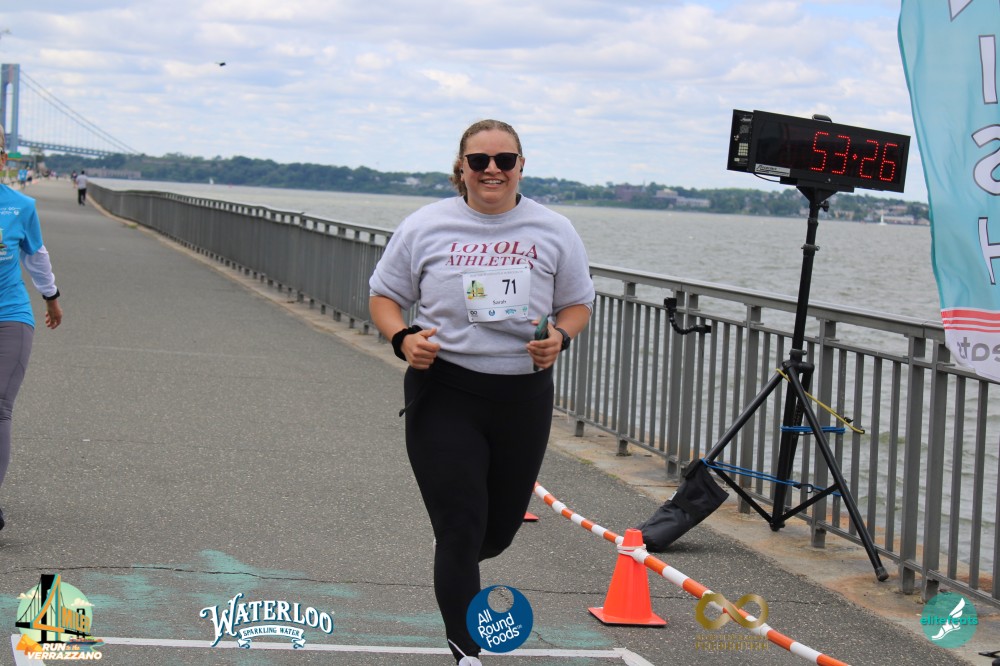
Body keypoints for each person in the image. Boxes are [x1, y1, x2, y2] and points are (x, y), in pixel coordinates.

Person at [368, 119, 595, 665]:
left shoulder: (554, 229)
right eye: (479, 161)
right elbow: (383, 296)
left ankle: (461, 549)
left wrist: (561, 337)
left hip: (523, 398)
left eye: (504, 160)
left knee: (496, 534)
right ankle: (466, 652)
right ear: (461, 167)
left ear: (521, 166)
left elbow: (577, 304)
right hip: (445, 391)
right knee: (460, 528)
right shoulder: (426, 225)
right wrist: (403, 339)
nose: (492, 170)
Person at [0, 128, 64, 532]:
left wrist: (51, 295)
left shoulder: (20, 206)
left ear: (2, 158)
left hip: (9, 313)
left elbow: (35, 255)